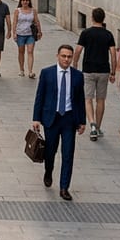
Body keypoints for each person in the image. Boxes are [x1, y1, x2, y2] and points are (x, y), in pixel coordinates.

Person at [32, 45, 86, 201]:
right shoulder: (47, 73)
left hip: (69, 119)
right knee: (50, 152)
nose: (66, 59)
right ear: (57, 56)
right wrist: (36, 118)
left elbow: (80, 100)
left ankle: (64, 187)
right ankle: (48, 171)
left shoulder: (77, 76)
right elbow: (39, 97)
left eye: (69, 57)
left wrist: (82, 121)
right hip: (51, 118)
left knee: (68, 154)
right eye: (64, 56)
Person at [74, 7, 116, 141]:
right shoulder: (108, 35)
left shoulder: (86, 33)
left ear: (92, 18)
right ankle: (97, 127)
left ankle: (91, 123)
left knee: (88, 99)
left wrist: (74, 65)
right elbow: (113, 54)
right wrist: (113, 71)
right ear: (103, 19)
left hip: (88, 69)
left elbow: (78, 50)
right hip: (103, 70)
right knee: (101, 100)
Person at [13, 0, 42, 78]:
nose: (25, 2)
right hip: (20, 34)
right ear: (21, 2)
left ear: (29, 1)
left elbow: (37, 21)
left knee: (30, 51)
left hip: (30, 35)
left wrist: (39, 31)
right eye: (23, 0)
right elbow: (14, 22)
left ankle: (30, 71)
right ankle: (21, 70)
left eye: (27, 0)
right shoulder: (17, 11)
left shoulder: (33, 11)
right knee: (21, 52)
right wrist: (14, 33)